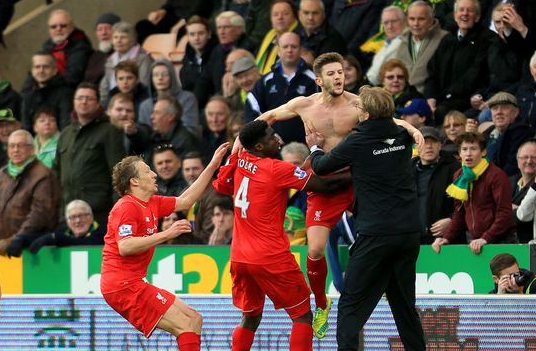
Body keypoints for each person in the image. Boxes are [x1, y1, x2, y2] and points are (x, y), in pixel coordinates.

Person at [257, 52, 422, 338]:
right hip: (324, 185)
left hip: (357, 182)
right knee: (315, 249)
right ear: (319, 80)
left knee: (372, 245)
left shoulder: (359, 103)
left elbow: (389, 119)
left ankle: (372, 293)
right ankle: (321, 304)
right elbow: (269, 116)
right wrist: (240, 140)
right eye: (332, 73)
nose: (338, 77)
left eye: (341, 72)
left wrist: (412, 129)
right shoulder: (304, 105)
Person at [306, 86, 426, 350]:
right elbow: (398, 126)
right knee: (404, 306)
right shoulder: (402, 135)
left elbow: (321, 166)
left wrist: (315, 147)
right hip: (408, 233)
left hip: (376, 235)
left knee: (349, 305)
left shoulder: (359, 140)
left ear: (367, 114)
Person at [214, 120, 337, 349]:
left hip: (240, 258)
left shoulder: (239, 161)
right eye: (271, 137)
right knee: (302, 315)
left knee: (251, 317)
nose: (277, 139)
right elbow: (326, 187)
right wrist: (360, 175)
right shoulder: (277, 169)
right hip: (271, 257)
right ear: (259, 146)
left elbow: (222, 185)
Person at [100, 142, 229, 351]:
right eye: (147, 171)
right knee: (185, 325)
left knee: (194, 319)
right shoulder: (126, 207)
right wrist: (167, 234)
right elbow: (125, 246)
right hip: (122, 286)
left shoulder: (151, 202)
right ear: (134, 181)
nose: (154, 175)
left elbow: (186, 200)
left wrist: (213, 164)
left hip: (133, 282)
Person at [432, 131, 517, 254]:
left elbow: (504, 213)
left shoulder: (496, 175)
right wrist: (446, 237)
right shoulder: (460, 175)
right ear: (459, 153)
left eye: (473, 149)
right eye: (464, 149)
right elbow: (459, 212)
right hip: (475, 240)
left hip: (502, 239)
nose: (468, 153)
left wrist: (486, 238)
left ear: (483, 152)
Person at [57, 83, 126, 227]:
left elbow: (119, 174)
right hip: (69, 214)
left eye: (89, 98)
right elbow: (57, 173)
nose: (83, 102)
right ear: (74, 102)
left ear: (97, 104)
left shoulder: (109, 131)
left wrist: (118, 211)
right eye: (80, 98)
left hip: (99, 213)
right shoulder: (66, 134)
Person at [0, 129, 60, 257]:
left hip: (30, 249)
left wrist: (16, 239)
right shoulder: (0, 175)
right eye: (12, 146)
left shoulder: (43, 175)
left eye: (21, 145)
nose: (15, 150)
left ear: (32, 149)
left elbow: (40, 214)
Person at [245, 32, 318, 144]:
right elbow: (252, 110)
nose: (289, 50)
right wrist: (267, 134)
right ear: (278, 51)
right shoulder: (265, 81)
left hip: (307, 146)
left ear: (300, 50)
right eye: (285, 46)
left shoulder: (314, 79)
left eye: (294, 46)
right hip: (273, 148)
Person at [482, 91, 534, 176]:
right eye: (495, 108)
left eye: (504, 108)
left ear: (516, 112)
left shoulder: (522, 133)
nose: (499, 112)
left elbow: (512, 167)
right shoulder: (488, 133)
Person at [28, 199, 107, 252]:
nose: (78, 221)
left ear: (91, 217)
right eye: (72, 217)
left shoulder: (103, 231)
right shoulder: (63, 231)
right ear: (67, 221)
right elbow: (43, 237)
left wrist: (56, 238)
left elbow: (84, 244)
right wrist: (24, 238)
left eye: (82, 216)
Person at [20, 52, 72, 131]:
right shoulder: (28, 94)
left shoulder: (65, 93)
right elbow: (26, 127)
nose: (41, 70)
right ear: (32, 71)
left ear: (55, 70)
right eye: (37, 67)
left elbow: (65, 126)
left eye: (46, 67)